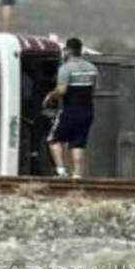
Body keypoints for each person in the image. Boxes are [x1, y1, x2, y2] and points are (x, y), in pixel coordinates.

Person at [43, 37, 99, 179]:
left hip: (70, 111)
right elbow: (94, 90)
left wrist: (50, 96)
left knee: (53, 139)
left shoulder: (65, 68)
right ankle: (77, 175)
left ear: (68, 50)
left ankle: (61, 171)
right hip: (87, 111)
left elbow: (61, 90)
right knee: (78, 144)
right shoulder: (92, 68)